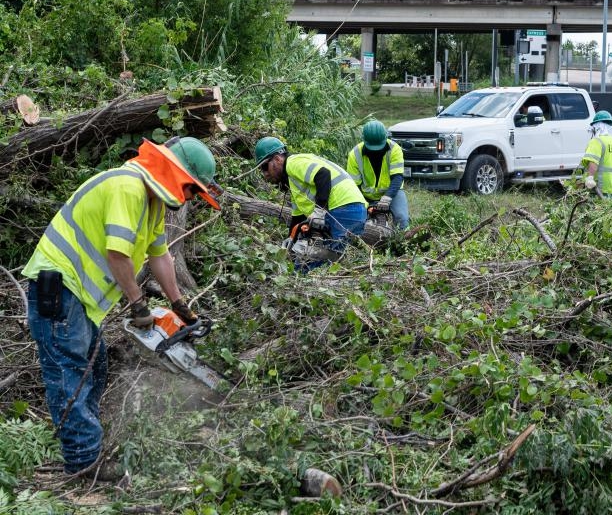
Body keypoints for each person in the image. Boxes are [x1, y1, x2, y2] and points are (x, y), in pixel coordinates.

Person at [21, 137, 220, 481]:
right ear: (177, 174)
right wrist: (138, 304)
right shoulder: (127, 187)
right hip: (59, 287)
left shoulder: (152, 201)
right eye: (191, 190)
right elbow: (118, 254)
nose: (189, 198)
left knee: (95, 367)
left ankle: (87, 442)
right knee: (70, 372)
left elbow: (160, 254)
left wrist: (179, 304)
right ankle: (83, 463)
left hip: (81, 298)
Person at [255, 137, 367, 260]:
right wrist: (290, 240)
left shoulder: (293, 163)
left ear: (277, 159)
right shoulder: (294, 182)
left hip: (343, 209)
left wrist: (318, 211)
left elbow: (323, 175)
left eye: (265, 167)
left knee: (315, 263)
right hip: (353, 209)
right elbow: (298, 218)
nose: (265, 173)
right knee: (333, 259)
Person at [347, 121, 409, 229]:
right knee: (356, 221)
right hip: (365, 195)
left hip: (392, 192)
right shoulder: (355, 154)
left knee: (401, 217)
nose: (376, 151)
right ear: (364, 140)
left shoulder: (395, 149)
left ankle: (404, 241)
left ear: (386, 138)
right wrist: (367, 204)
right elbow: (354, 186)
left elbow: (397, 177)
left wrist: (387, 198)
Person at [580, 110, 612, 198]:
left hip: (601, 191)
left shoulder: (597, 141)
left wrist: (590, 178)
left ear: (597, 127)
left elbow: (593, 163)